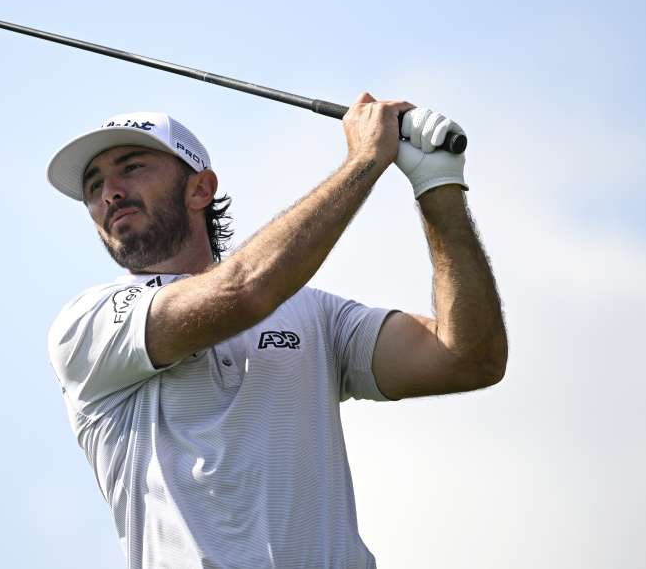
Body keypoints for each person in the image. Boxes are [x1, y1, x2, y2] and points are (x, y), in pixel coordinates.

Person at [44, 93, 507, 569]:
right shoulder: (89, 323)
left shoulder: (315, 315)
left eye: (132, 167)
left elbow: (467, 357)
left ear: (200, 190)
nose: (109, 192)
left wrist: (438, 184)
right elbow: (244, 291)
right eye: (94, 184)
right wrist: (365, 160)